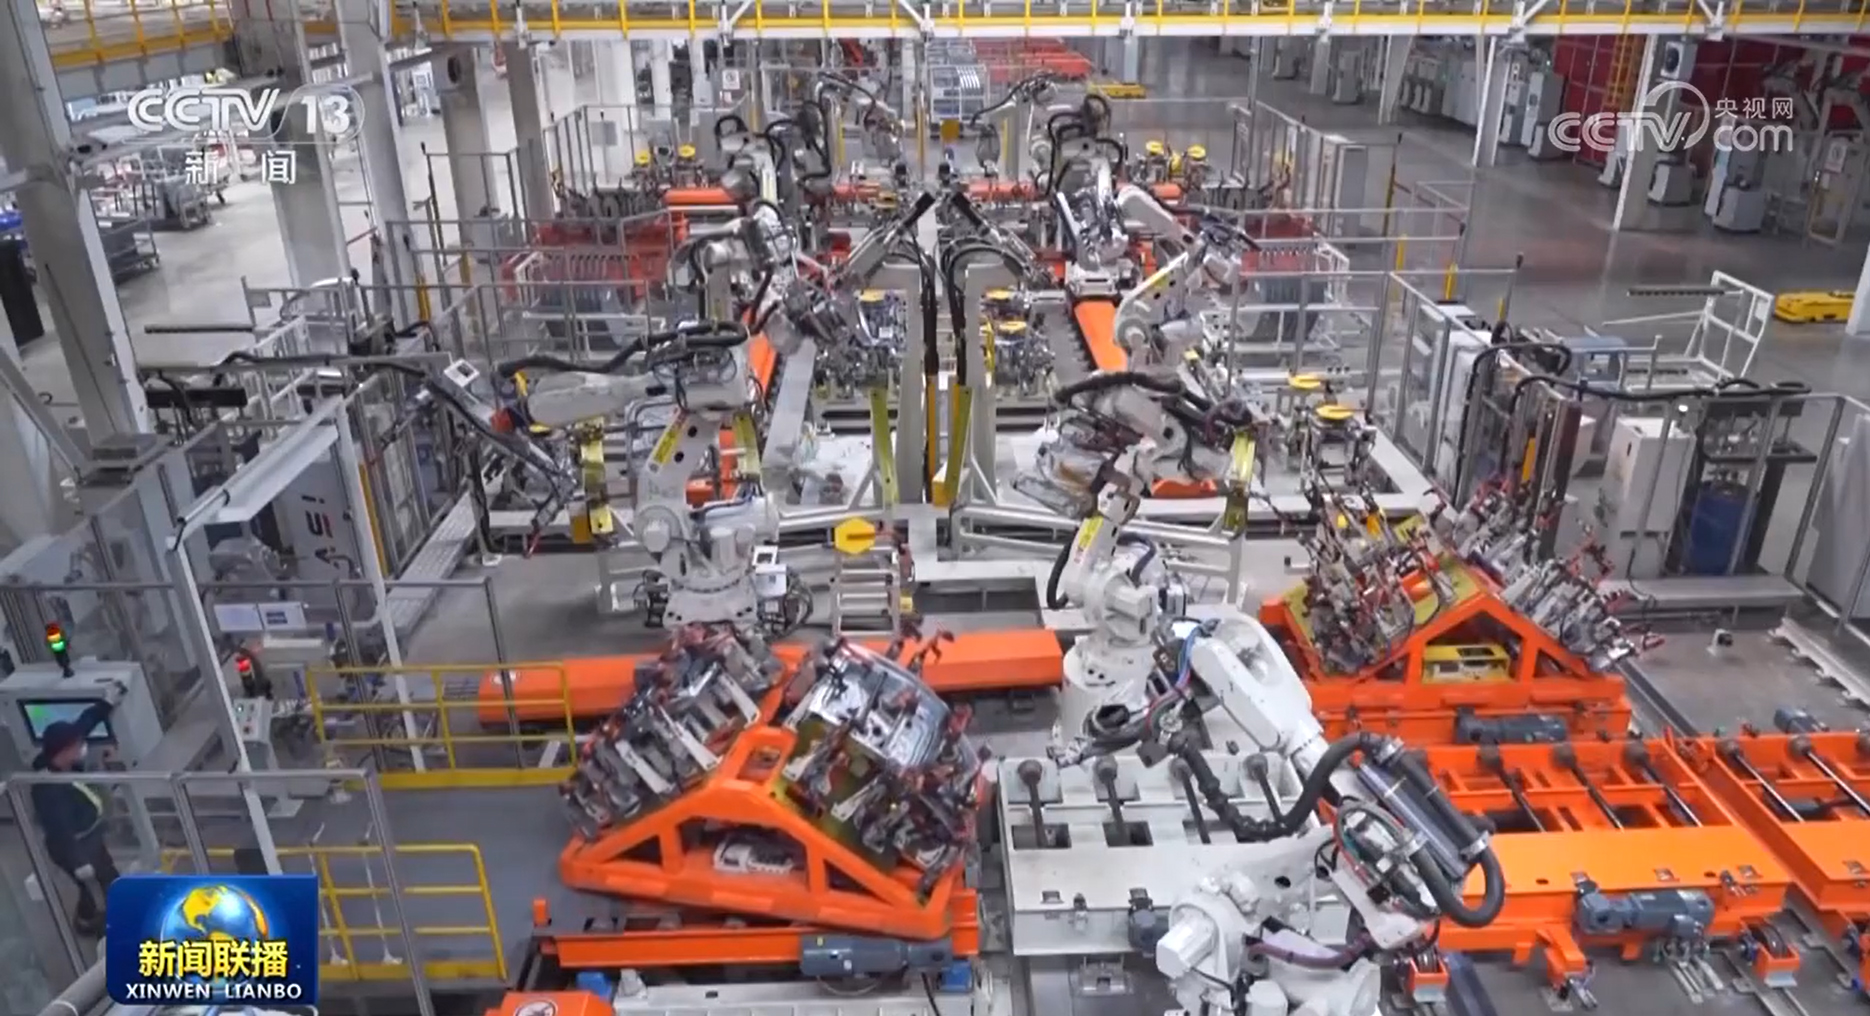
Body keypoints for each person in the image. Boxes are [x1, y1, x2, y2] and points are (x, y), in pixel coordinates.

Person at [30, 683, 125, 937]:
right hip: (74, 847)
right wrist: (79, 862)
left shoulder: (61, 759)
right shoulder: (48, 789)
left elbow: (84, 723)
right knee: (94, 887)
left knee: (108, 876)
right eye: (77, 745)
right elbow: (60, 830)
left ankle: (106, 912)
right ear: (63, 751)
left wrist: (106, 703)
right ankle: (90, 923)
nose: (82, 746)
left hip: (90, 837)